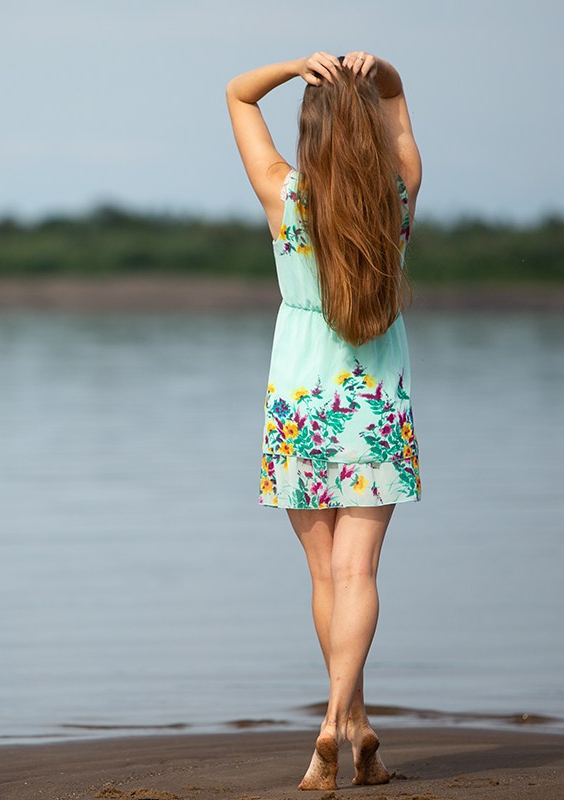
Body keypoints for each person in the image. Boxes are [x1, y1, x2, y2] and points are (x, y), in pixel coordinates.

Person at [225, 50, 423, 790]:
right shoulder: (398, 195)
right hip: (373, 406)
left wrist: (290, 68)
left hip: (301, 403)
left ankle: (331, 724)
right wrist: (384, 75)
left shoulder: (284, 193)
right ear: (370, 127)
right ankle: (353, 721)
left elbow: (237, 97)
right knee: (358, 571)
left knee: (324, 576)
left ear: (308, 134)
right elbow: (400, 112)